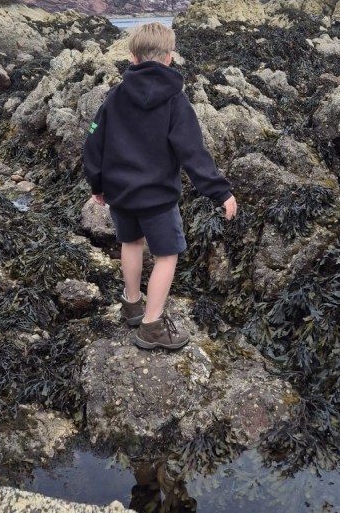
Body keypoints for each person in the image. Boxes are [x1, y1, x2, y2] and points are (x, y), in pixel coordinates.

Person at [82, 22, 237, 351]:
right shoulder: (176, 102)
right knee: (167, 256)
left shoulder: (115, 96)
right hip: (158, 199)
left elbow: (94, 140)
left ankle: (133, 304)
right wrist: (220, 191)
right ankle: (151, 326)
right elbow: (193, 152)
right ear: (169, 58)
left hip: (121, 193)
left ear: (133, 58)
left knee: (131, 242)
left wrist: (97, 183)